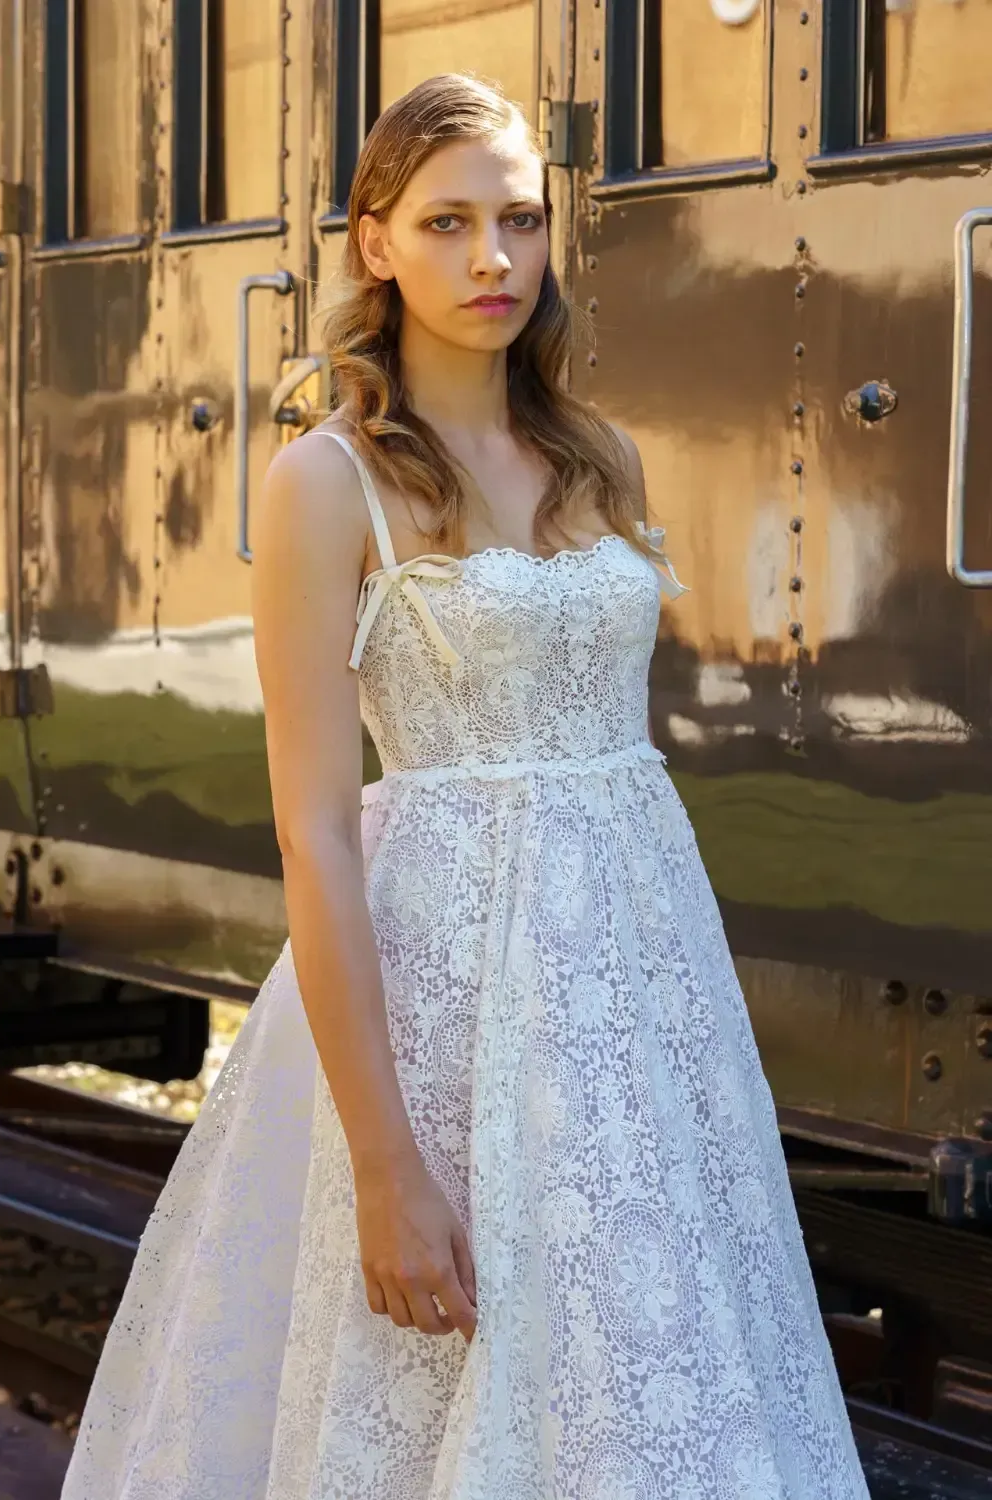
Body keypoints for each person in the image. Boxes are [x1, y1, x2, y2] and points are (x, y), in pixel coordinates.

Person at [61, 73, 870, 1500]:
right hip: (443, 1001)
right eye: (447, 223)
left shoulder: (593, 455)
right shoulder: (328, 483)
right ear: (374, 243)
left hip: (632, 994)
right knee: (436, 1377)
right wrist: (387, 1166)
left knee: (650, 1374)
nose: (494, 260)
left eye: (520, 220)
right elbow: (314, 830)